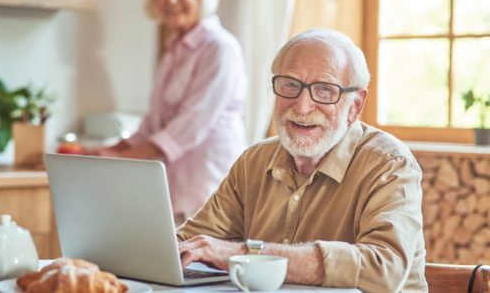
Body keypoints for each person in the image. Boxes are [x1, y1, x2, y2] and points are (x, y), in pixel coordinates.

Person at [176, 28, 427, 292]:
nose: (302, 106)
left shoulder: (390, 164)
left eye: (325, 90)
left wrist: (245, 253)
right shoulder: (254, 161)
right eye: (290, 86)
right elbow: (191, 243)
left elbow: (383, 269)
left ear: (355, 105)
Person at [86, 0, 247, 223]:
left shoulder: (220, 47)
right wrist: (111, 150)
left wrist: (124, 159)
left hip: (207, 185)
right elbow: (153, 124)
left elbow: (190, 125)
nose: (171, 0)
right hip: (173, 187)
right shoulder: (173, 50)